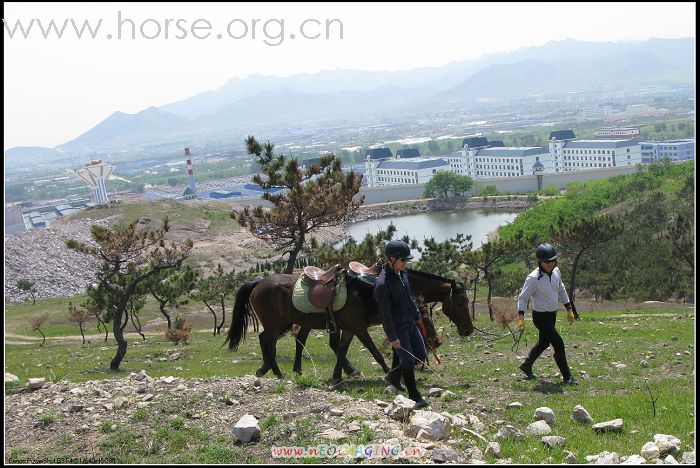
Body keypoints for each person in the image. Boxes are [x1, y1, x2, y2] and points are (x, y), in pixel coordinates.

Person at [374, 240, 429, 408]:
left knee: (420, 354)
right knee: (408, 361)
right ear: (392, 259)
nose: (406, 263)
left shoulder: (403, 274)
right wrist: (392, 337)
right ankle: (414, 396)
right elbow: (385, 314)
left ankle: (393, 376)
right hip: (398, 328)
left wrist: (417, 315)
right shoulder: (383, 284)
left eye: (407, 260)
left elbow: (409, 297)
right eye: (403, 260)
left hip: (411, 323)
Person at [516, 243, 578, 385]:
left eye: (553, 260)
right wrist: (521, 317)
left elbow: (561, 289)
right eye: (547, 262)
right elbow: (523, 298)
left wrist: (569, 309)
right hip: (540, 317)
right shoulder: (533, 278)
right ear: (540, 262)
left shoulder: (556, 271)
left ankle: (526, 365)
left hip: (552, 315)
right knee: (559, 344)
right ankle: (567, 376)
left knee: (544, 343)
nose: (551, 264)